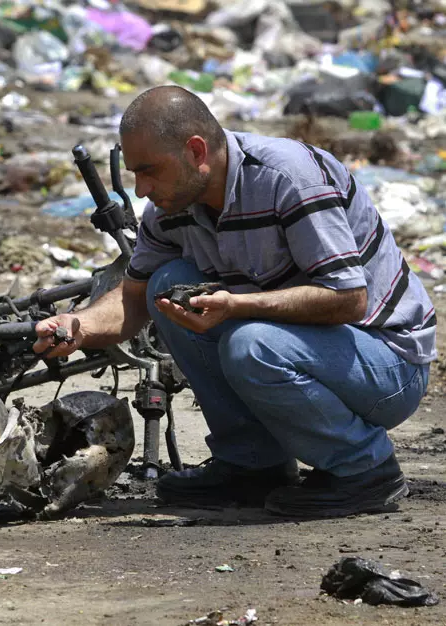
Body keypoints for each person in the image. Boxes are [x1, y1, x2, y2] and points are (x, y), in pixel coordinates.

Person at [33, 85, 436, 518]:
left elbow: (348, 299)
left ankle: (366, 471)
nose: (142, 189)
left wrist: (240, 305)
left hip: (387, 365)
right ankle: (252, 465)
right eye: (134, 174)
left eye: (149, 171)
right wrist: (78, 326)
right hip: (309, 350)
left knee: (250, 344)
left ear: (196, 150)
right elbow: (133, 302)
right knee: (166, 284)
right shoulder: (170, 209)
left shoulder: (288, 178)